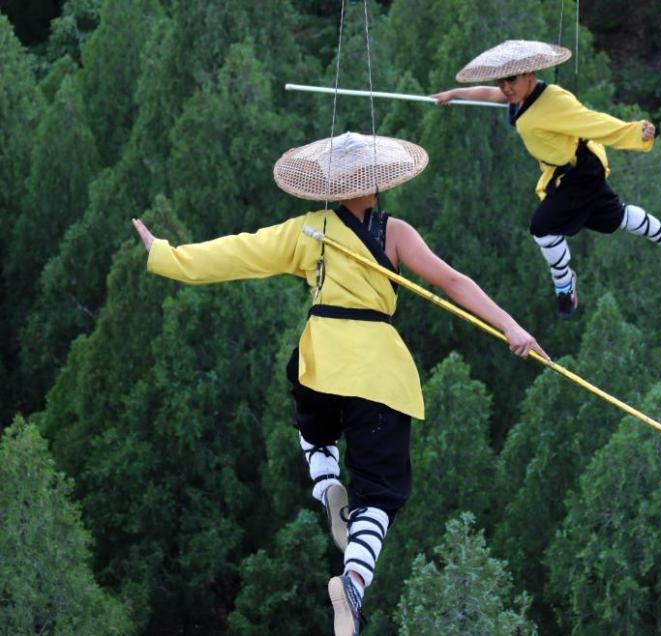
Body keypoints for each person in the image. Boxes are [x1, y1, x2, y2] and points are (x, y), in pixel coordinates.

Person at [132, 132, 547, 636]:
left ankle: (328, 484)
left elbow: (239, 253)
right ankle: (352, 579)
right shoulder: (396, 234)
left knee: (313, 426)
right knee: (381, 492)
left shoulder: (310, 231)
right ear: (377, 181)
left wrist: (165, 254)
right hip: (378, 370)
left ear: (330, 184)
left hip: (321, 360)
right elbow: (453, 282)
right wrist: (511, 326)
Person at [433, 39, 661, 319]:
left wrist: (634, 132)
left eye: (511, 81)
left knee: (542, 227)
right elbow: (489, 94)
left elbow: (593, 122)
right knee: (612, 218)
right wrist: (454, 94)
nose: (505, 88)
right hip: (566, 172)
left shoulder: (553, 101)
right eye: (502, 82)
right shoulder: (516, 98)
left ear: (529, 75)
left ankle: (564, 285)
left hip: (580, 172)